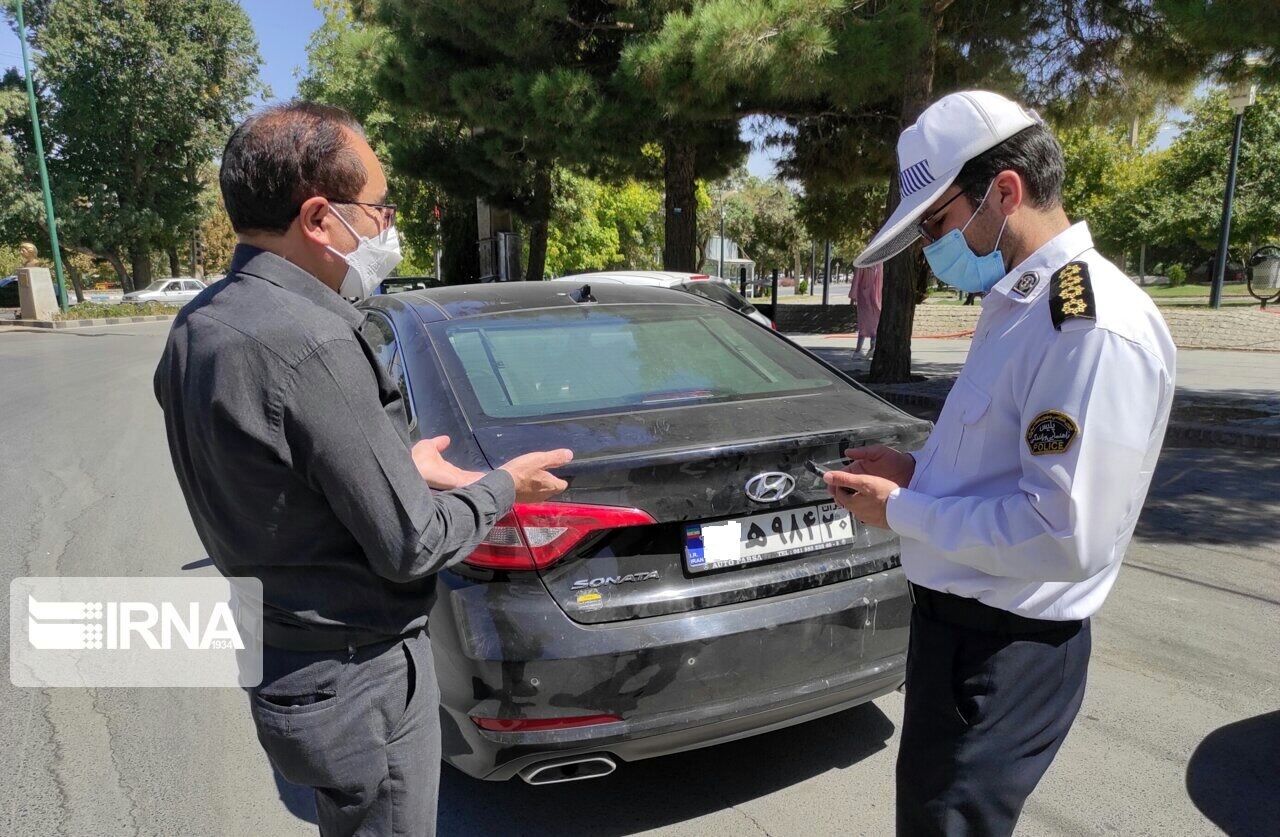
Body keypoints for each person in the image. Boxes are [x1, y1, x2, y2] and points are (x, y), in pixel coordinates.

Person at [153, 101, 573, 837]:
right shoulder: (311, 341)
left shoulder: (202, 324)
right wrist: (505, 485)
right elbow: (412, 543)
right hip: (358, 679)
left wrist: (393, 464)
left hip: (286, 661)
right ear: (319, 219)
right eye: (378, 209)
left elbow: (275, 472)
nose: (388, 227)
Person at [823, 90, 1175, 836]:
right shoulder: (1020, 303)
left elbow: (1060, 533)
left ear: (1004, 192)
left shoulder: (1087, 326)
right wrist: (916, 469)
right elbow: (1003, 463)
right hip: (959, 639)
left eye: (937, 223)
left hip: (1000, 653)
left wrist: (899, 511)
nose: (928, 247)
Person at [848, 261, 883, 355]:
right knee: (863, 324)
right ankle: (858, 350)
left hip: (877, 299)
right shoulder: (862, 262)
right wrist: (853, 296)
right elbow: (857, 279)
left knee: (875, 325)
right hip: (865, 298)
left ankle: (872, 348)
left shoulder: (880, 262)